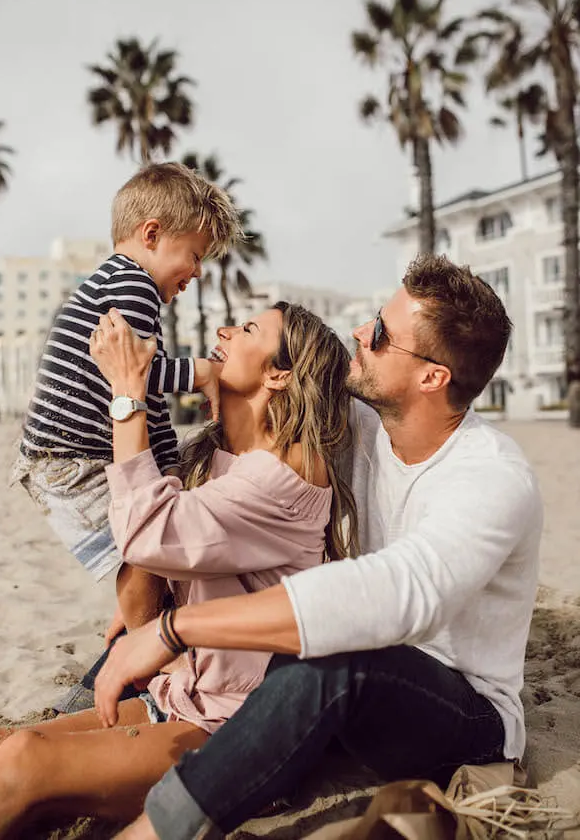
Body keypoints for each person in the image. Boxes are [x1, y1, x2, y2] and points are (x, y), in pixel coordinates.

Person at [94, 254, 541, 840]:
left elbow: (402, 597)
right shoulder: (364, 424)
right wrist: (208, 376)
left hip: (461, 708)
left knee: (332, 658)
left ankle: (154, 830)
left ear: (433, 377)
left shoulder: (491, 477)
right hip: (362, 684)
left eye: (380, 335)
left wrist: (177, 627)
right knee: (137, 651)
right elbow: (278, 405)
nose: (360, 333)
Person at [0, 301, 358, 838]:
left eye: (248, 328)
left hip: (230, 728)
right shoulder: (222, 453)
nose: (224, 330)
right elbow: (180, 550)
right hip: (178, 693)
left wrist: (128, 391)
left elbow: (146, 534)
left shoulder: (285, 476)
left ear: (280, 374)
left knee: (22, 760)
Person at [11, 163, 243, 662]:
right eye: (194, 256)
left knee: (151, 537)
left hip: (68, 451)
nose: (197, 272)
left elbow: (145, 401)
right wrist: (200, 372)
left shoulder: (118, 283)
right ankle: (148, 654)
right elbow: (141, 376)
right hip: (73, 457)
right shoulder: (133, 286)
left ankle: (140, 635)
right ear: (152, 234)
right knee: (143, 552)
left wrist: (171, 469)